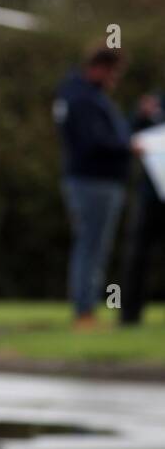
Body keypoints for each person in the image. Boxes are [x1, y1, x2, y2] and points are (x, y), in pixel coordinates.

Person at [53, 46, 134, 329]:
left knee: (91, 247)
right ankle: (84, 313)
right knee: (91, 248)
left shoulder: (76, 94)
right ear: (100, 68)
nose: (114, 80)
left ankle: (86, 311)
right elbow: (94, 142)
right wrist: (129, 146)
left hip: (90, 181)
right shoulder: (83, 98)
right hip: (93, 182)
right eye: (113, 73)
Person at [121, 88, 164, 325]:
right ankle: (129, 315)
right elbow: (125, 135)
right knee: (137, 256)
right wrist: (140, 115)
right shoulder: (155, 103)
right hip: (150, 195)